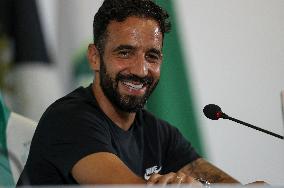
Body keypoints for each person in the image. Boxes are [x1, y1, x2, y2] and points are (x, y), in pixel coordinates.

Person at [17, 0, 239, 185]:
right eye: (125, 53)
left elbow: (227, 185)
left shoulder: (158, 133)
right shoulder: (67, 120)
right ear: (95, 57)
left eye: (152, 56)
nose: (140, 70)